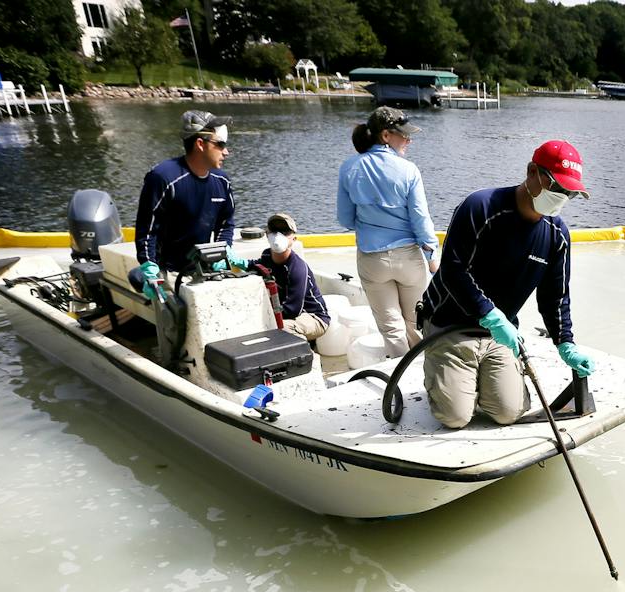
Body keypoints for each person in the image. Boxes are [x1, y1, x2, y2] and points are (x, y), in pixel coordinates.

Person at [417, 140, 596, 430]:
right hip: (449, 325)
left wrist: (565, 342)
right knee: (455, 416)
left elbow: (555, 296)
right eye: (556, 187)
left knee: (508, 412)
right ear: (532, 172)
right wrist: (488, 312)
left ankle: (477, 378)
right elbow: (452, 269)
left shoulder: (557, 234)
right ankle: (443, 375)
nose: (561, 197)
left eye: (569, 193)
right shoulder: (480, 206)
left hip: (500, 334)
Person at [336, 106, 439, 355]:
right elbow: (420, 219)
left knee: (392, 328)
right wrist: (431, 255)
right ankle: (423, 371)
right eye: (403, 134)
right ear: (385, 136)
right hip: (409, 259)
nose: (408, 139)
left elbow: (345, 219)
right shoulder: (409, 170)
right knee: (416, 321)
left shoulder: (349, 167)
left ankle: (399, 376)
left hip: (373, 259)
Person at [134, 110, 246, 299]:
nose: (226, 152)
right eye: (220, 144)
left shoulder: (222, 181)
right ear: (200, 144)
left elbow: (226, 223)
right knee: (175, 322)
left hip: (203, 268)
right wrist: (150, 269)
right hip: (168, 272)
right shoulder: (163, 178)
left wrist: (222, 250)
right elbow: (147, 230)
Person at [250, 213, 329, 341]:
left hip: (314, 317)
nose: (278, 236)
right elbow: (256, 265)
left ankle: (308, 357)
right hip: (286, 312)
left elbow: (292, 310)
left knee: (281, 327)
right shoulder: (266, 256)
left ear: (294, 239)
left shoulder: (297, 268)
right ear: (267, 234)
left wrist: (266, 317)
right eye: (274, 231)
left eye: (284, 232)